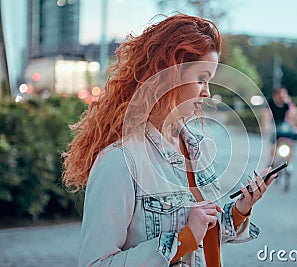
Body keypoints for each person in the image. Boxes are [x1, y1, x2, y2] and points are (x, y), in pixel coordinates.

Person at [62, 14, 276, 267]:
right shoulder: (120, 161)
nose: (207, 91)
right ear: (170, 77)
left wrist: (240, 210)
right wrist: (184, 237)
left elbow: (205, 234)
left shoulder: (198, 148)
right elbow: (95, 263)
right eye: (201, 79)